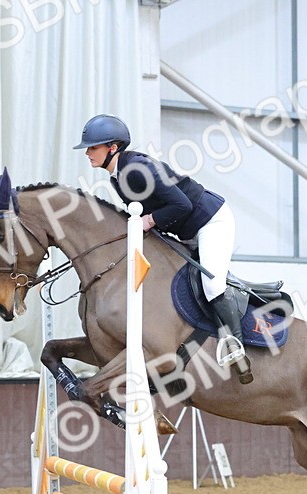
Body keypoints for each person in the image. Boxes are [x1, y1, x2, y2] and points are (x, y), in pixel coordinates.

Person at [74, 114, 247, 371]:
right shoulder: (118, 176)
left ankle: (235, 345)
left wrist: (150, 220)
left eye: (93, 147)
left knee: (212, 285)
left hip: (211, 221)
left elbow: (182, 204)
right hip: (185, 228)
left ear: (113, 148)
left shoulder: (138, 170)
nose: (88, 152)